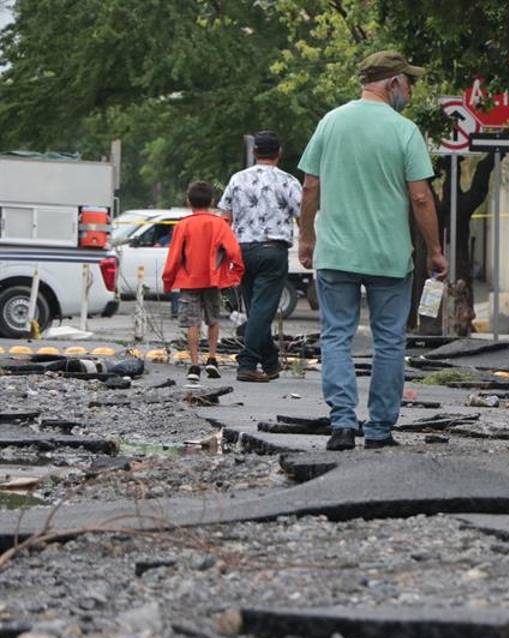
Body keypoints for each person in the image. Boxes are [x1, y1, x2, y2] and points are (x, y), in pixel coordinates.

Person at [298, 50, 448, 451]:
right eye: (409, 82)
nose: (411, 91)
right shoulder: (404, 131)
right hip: (388, 257)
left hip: (336, 254)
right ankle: (380, 430)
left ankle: (343, 426)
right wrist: (435, 249)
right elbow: (420, 198)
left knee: (335, 336)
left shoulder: (330, 122)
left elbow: (310, 187)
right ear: (393, 83)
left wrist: (306, 238)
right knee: (389, 341)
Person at [219, 130, 302, 383]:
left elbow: (225, 217)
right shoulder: (288, 181)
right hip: (272, 250)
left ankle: (270, 362)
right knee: (263, 311)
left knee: (257, 310)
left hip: (242, 250)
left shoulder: (236, 179)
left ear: (255, 152)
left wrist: (223, 252)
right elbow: (302, 213)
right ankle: (247, 362)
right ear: (279, 153)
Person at [162, 181, 244, 384]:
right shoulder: (220, 225)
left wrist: (168, 281)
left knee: (192, 323)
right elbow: (234, 252)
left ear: (188, 200)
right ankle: (212, 358)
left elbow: (174, 258)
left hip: (189, 281)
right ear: (212, 201)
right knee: (213, 319)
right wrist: (234, 275)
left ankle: (194, 364)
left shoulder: (183, 225)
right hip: (213, 280)